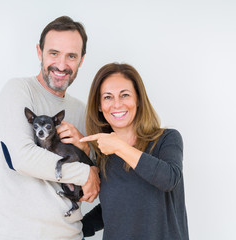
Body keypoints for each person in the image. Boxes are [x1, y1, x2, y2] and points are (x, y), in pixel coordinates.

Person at [0, 16, 100, 240]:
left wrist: (87, 151)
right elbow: (22, 158)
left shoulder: (82, 110)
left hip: (72, 235)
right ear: (39, 52)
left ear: (81, 60)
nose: (61, 65)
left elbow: (99, 176)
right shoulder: (19, 91)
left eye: (71, 56)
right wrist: (84, 173)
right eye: (54, 53)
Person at [79, 63, 189, 239]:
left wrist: (120, 147)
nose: (117, 104)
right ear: (99, 105)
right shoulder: (103, 155)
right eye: (108, 97)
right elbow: (117, 207)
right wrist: (76, 228)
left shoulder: (167, 139)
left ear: (138, 99)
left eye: (125, 95)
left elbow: (168, 179)